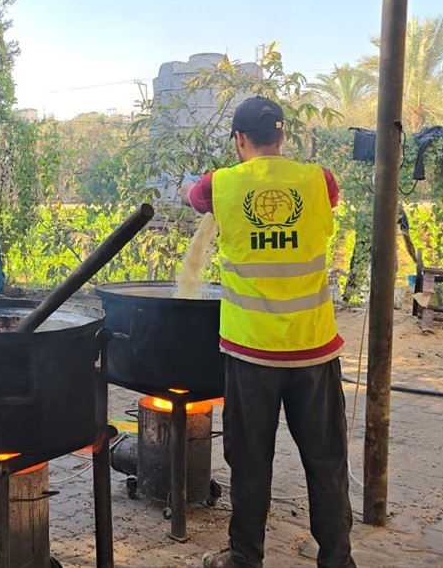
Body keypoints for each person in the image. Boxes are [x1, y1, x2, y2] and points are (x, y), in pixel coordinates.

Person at [180, 96, 355, 568]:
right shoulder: (319, 181)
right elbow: (330, 202)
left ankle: (244, 558)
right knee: (326, 460)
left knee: (251, 462)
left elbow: (194, 197)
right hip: (314, 351)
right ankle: (337, 559)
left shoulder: (221, 185)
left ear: (239, 139)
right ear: (282, 137)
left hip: (251, 354)